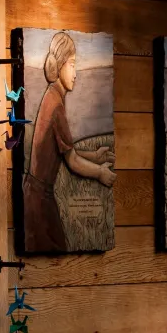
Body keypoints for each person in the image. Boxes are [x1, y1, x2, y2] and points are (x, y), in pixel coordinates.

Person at [23, 32, 116, 252]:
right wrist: (100, 172)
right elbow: (72, 161)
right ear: (60, 65)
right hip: (39, 200)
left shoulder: (53, 96)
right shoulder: (55, 105)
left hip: (37, 196)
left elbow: (65, 152)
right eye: (72, 65)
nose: (76, 73)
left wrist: (95, 156)